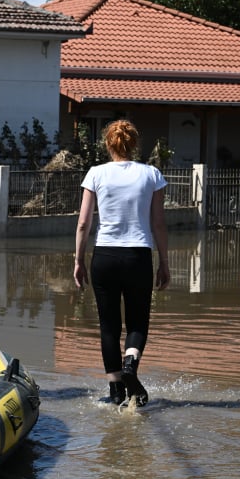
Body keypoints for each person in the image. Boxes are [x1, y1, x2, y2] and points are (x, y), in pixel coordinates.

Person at [73, 119, 170, 407]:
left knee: (108, 326)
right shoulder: (151, 174)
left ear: (108, 144)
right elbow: (159, 223)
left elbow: (83, 224)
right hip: (138, 255)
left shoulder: (96, 174)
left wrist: (78, 260)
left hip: (104, 256)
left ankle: (116, 390)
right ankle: (130, 365)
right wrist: (164, 262)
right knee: (138, 321)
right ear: (134, 144)